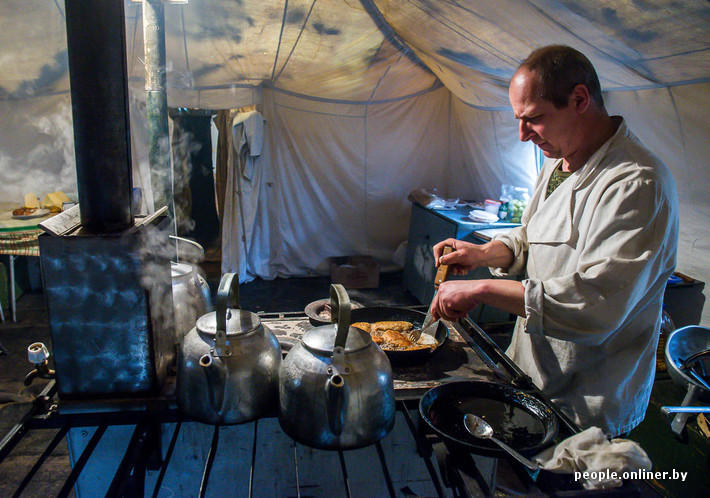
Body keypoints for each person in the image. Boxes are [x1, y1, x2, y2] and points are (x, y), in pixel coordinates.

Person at [431, 45, 679, 437]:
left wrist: (481, 289)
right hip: (532, 375)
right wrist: (482, 253)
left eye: (534, 119)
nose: (523, 134)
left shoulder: (635, 182)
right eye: (518, 120)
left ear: (580, 100)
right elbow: (530, 235)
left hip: (586, 400)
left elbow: (595, 304)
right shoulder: (559, 162)